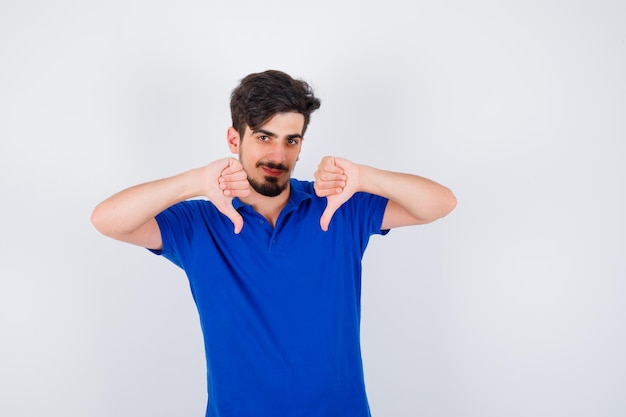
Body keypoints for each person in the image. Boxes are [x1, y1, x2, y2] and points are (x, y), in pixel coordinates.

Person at [91, 69, 456, 417]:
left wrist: (364, 177)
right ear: (235, 139)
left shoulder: (340, 207)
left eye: (291, 140)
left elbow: (440, 204)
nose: (278, 157)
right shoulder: (199, 223)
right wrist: (194, 183)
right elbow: (107, 220)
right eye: (264, 137)